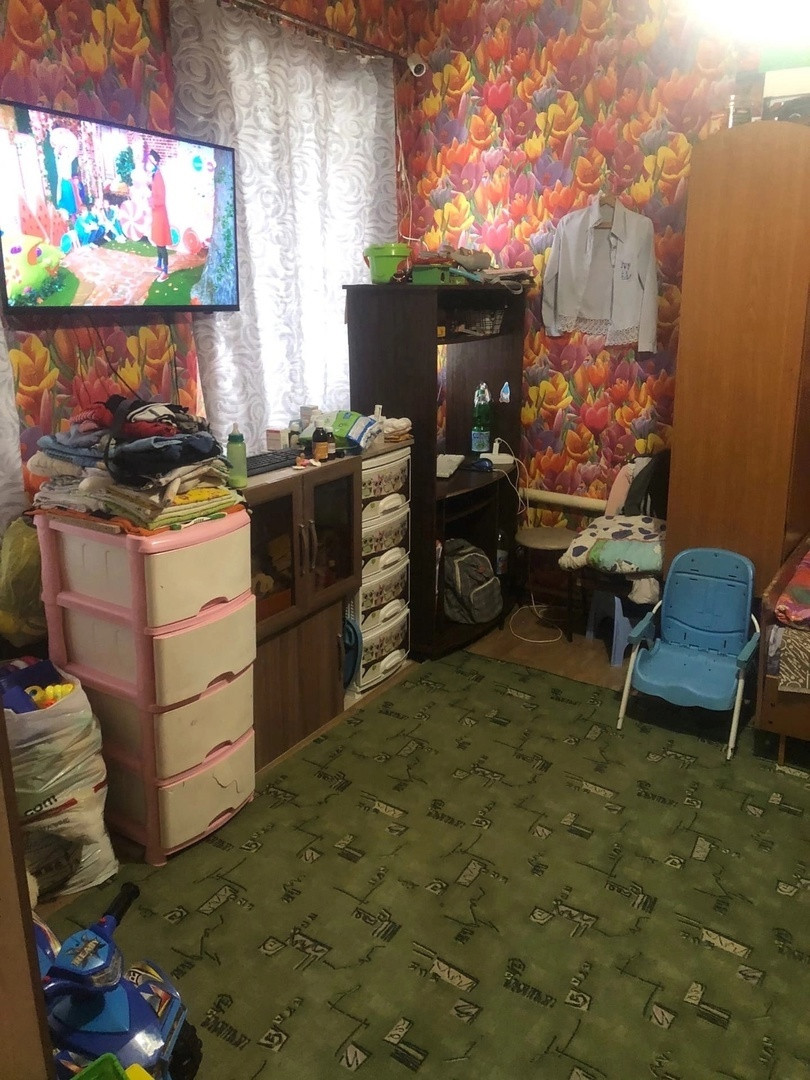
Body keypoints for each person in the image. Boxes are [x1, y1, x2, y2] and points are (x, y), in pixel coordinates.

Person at [148, 149, 171, 281]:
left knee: (161, 243)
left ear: (155, 162)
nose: (148, 162)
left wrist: (151, 200)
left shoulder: (158, 176)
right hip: (156, 213)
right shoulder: (154, 175)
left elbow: (161, 198)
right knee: (157, 240)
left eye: (150, 160)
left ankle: (165, 271)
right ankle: (159, 264)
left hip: (160, 214)